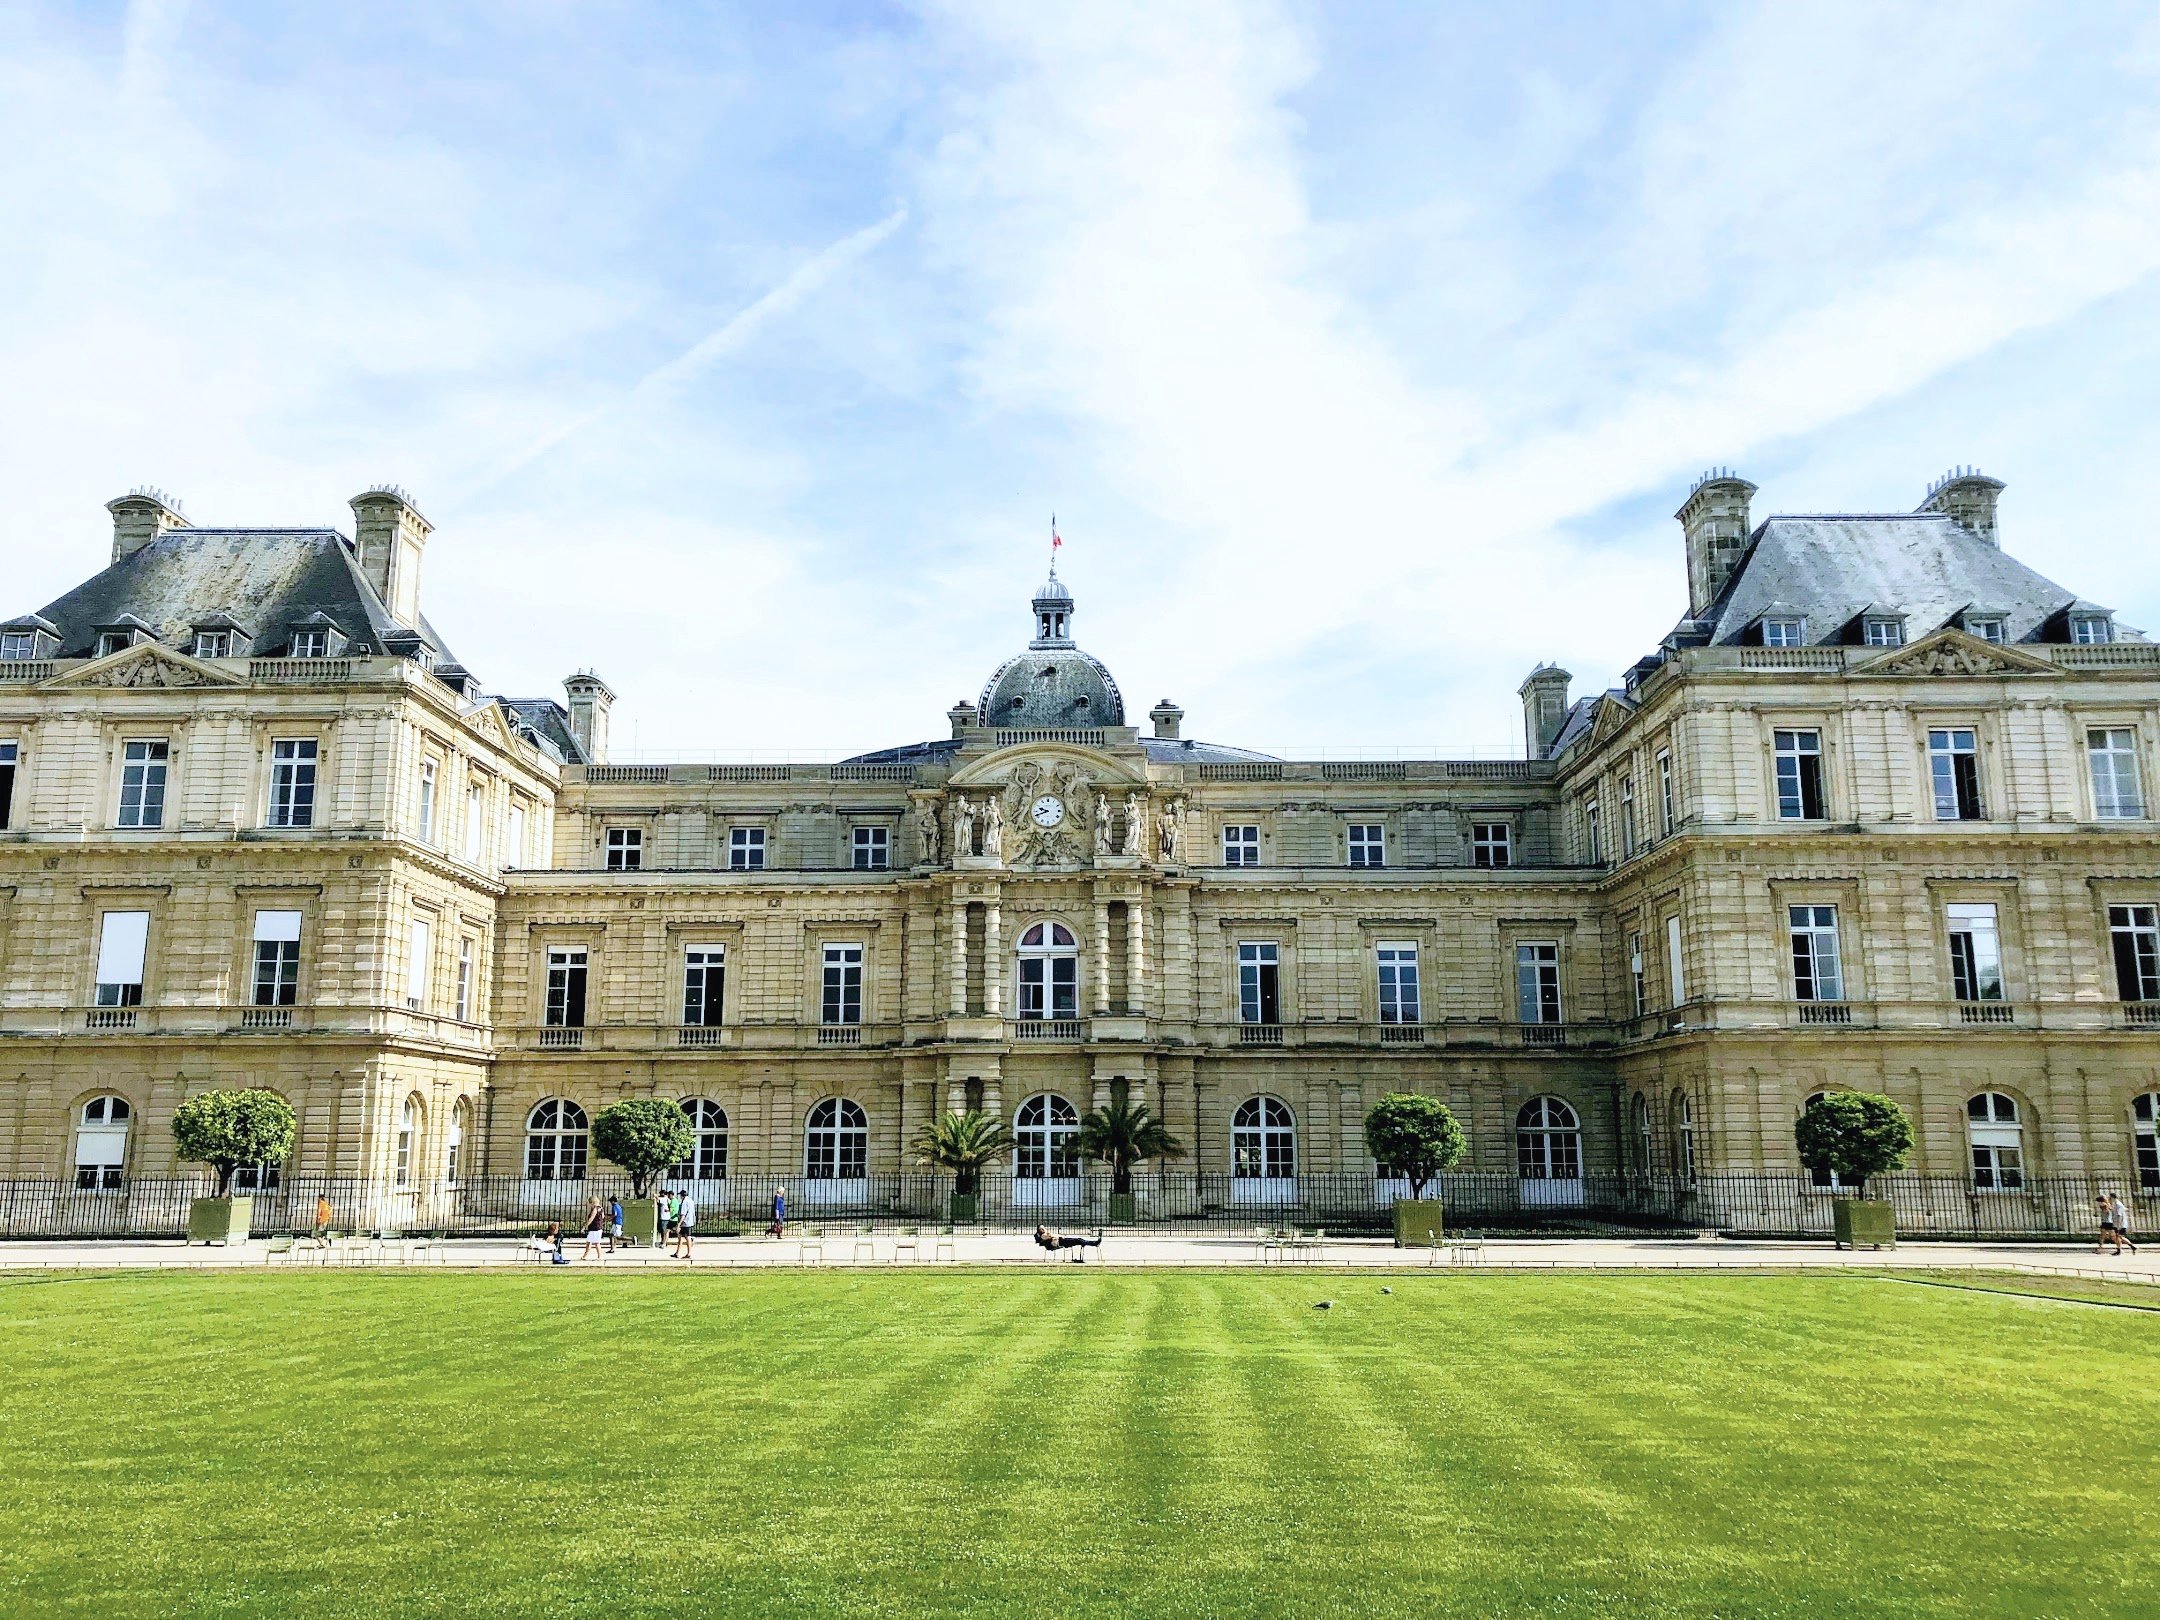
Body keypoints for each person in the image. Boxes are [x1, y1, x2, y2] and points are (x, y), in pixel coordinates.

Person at [1033, 1224, 1104, 1263]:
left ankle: (1093, 1243)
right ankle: (1095, 1243)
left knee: (1079, 1240)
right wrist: (1060, 1235)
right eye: (1043, 1228)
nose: (1045, 1228)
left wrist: (1059, 1236)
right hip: (1060, 1242)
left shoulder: (1045, 1234)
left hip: (1061, 1241)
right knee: (1078, 1240)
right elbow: (1052, 1236)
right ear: (1041, 1230)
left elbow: (1053, 1235)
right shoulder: (1043, 1235)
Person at [2107, 1190, 2138, 1255]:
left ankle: (2121, 1250)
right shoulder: (2116, 1204)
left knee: (2118, 1237)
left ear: (2112, 1197)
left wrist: (2118, 1226)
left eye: (2109, 1197)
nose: (2109, 1199)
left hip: (2120, 1224)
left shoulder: (2118, 1204)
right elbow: (2124, 1209)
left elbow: (2119, 1215)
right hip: (2118, 1224)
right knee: (2118, 1237)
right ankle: (2130, 1247)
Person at [675, 1188, 698, 1260]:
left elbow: (683, 1214)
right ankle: (677, 1252)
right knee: (680, 1236)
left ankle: (689, 1253)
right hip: (690, 1221)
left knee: (687, 1237)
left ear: (682, 1196)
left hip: (685, 1222)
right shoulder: (691, 1200)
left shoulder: (685, 1202)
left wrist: (679, 1223)